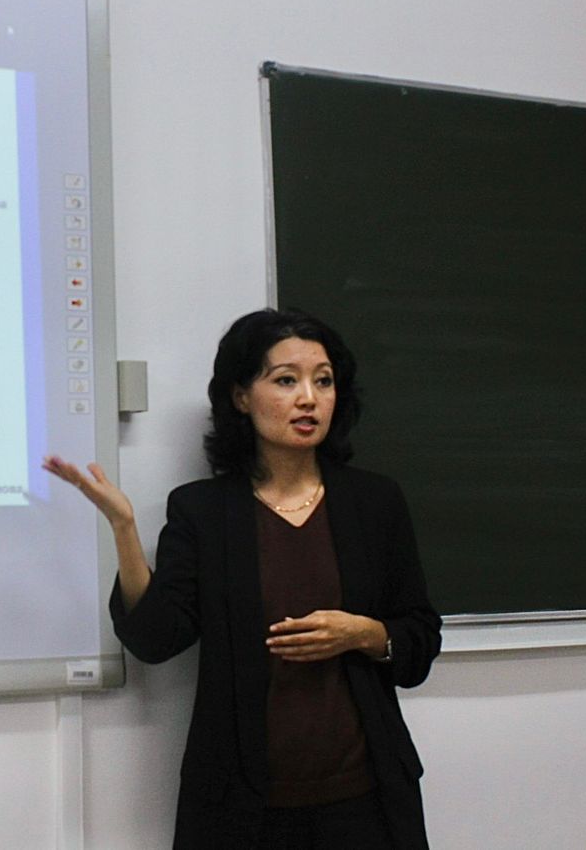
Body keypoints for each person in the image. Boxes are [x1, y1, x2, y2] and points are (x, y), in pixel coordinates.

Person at [43, 309, 440, 850]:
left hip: (366, 801)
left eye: (323, 381)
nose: (309, 398)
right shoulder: (204, 511)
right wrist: (123, 528)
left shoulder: (375, 502)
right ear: (240, 397)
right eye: (286, 380)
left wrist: (364, 634)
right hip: (240, 807)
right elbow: (157, 640)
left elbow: (420, 639)